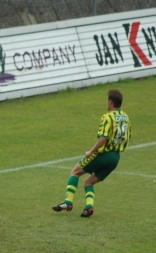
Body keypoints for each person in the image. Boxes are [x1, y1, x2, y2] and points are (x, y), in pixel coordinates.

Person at [52, 89, 131, 218]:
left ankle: (68, 202)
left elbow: (103, 137)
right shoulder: (125, 117)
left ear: (110, 101)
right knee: (89, 182)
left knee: (75, 173)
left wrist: (91, 152)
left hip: (103, 155)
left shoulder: (108, 117)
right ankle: (89, 207)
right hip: (115, 158)